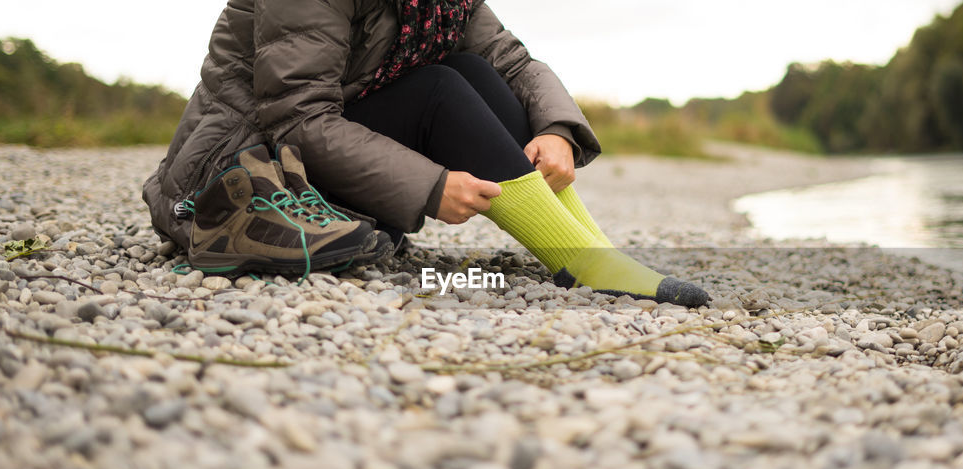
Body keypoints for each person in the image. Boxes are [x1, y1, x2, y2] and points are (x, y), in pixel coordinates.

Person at [142, 0, 708, 307]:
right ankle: (584, 261)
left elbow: (513, 65)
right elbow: (298, 119)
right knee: (441, 87)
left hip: (320, 149)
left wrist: (558, 129)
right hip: (245, 172)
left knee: (474, 69)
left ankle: (587, 250)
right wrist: (430, 184)